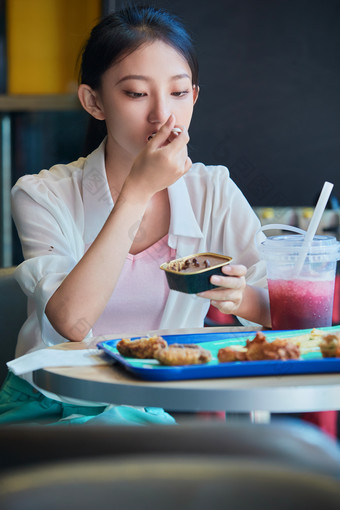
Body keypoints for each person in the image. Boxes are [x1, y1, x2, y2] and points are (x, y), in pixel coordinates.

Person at [0, 5, 270, 426]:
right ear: (94, 101)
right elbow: (72, 321)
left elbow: (290, 310)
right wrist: (138, 190)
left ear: (194, 96)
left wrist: (242, 297)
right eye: (136, 93)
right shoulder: (41, 193)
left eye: (179, 93)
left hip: (159, 406)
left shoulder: (211, 189)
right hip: (54, 402)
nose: (163, 115)